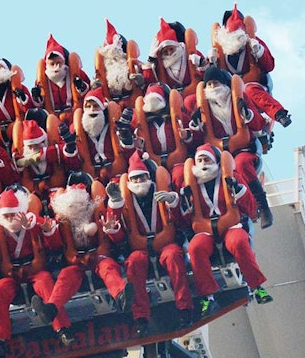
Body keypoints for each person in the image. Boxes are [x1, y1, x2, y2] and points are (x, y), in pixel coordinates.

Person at [105, 152, 194, 331]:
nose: (139, 182)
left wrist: (173, 201)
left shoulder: (160, 190)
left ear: (148, 177)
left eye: (142, 177)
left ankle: (185, 308)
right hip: (139, 248)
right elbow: (119, 236)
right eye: (135, 179)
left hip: (166, 243)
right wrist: (113, 222)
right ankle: (141, 317)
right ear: (129, 182)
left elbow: (180, 221)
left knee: (173, 255)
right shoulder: (124, 200)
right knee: (133, 262)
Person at [0, 187, 64, 358]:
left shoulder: (32, 223)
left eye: (13, 214)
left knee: (46, 282)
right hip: (12, 276)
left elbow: (52, 241)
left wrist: (46, 229)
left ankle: (62, 327)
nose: (10, 219)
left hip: (35, 271)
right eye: (6, 215)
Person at [39, 171, 134, 334]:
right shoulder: (63, 219)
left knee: (108, 267)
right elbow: (56, 244)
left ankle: (121, 295)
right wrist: (48, 232)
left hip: (99, 256)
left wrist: (110, 228)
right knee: (66, 276)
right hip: (76, 261)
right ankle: (51, 308)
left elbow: (112, 227)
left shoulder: (96, 211)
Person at [181, 144, 272, 308]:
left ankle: (256, 286)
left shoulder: (232, 176)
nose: (203, 164)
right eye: (200, 160)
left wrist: (237, 189)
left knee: (238, 241)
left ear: (215, 161)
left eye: (207, 159)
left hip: (232, 225)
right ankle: (207, 296)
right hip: (205, 230)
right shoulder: (189, 186)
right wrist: (182, 203)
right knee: (195, 248)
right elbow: (186, 220)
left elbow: (252, 209)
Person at [185, 67, 274, 229]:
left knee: (240, 164)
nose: (213, 87)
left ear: (224, 84)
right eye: (209, 84)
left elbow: (258, 124)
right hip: (217, 155)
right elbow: (199, 140)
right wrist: (195, 126)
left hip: (244, 148)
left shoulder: (238, 98)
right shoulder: (202, 106)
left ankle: (263, 207)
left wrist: (247, 114)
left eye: (216, 83)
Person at [71, 87, 136, 184]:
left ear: (102, 107)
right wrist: (70, 147)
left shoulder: (115, 125)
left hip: (116, 173)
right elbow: (74, 162)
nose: (92, 110)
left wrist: (125, 136)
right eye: (88, 106)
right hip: (93, 177)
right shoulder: (77, 129)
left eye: (96, 106)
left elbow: (131, 154)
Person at [33, 34, 91, 123]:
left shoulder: (76, 74)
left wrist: (81, 86)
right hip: (52, 118)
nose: (56, 67)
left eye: (58, 63)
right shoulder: (41, 81)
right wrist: (37, 96)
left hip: (74, 115)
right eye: (52, 64)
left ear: (64, 61)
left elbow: (89, 94)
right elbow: (39, 105)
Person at [141, 19, 206, 96]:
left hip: (194, 96)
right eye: (165, 51)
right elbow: (149, 83)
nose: (169, 53)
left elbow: (206, 76)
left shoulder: (190, 53)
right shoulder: (160, 64)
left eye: (171, 49)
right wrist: (150, 60)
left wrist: (202, 63)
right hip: (170, 100)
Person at [94, 19, 144, 108]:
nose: (113, 59)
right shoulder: (103, 72)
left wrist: (141, 81)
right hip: (111, 105)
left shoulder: (135, 66)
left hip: (133, 103)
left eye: (116, 54)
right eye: (110, 57)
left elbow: (148, 78)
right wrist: (94, 87)